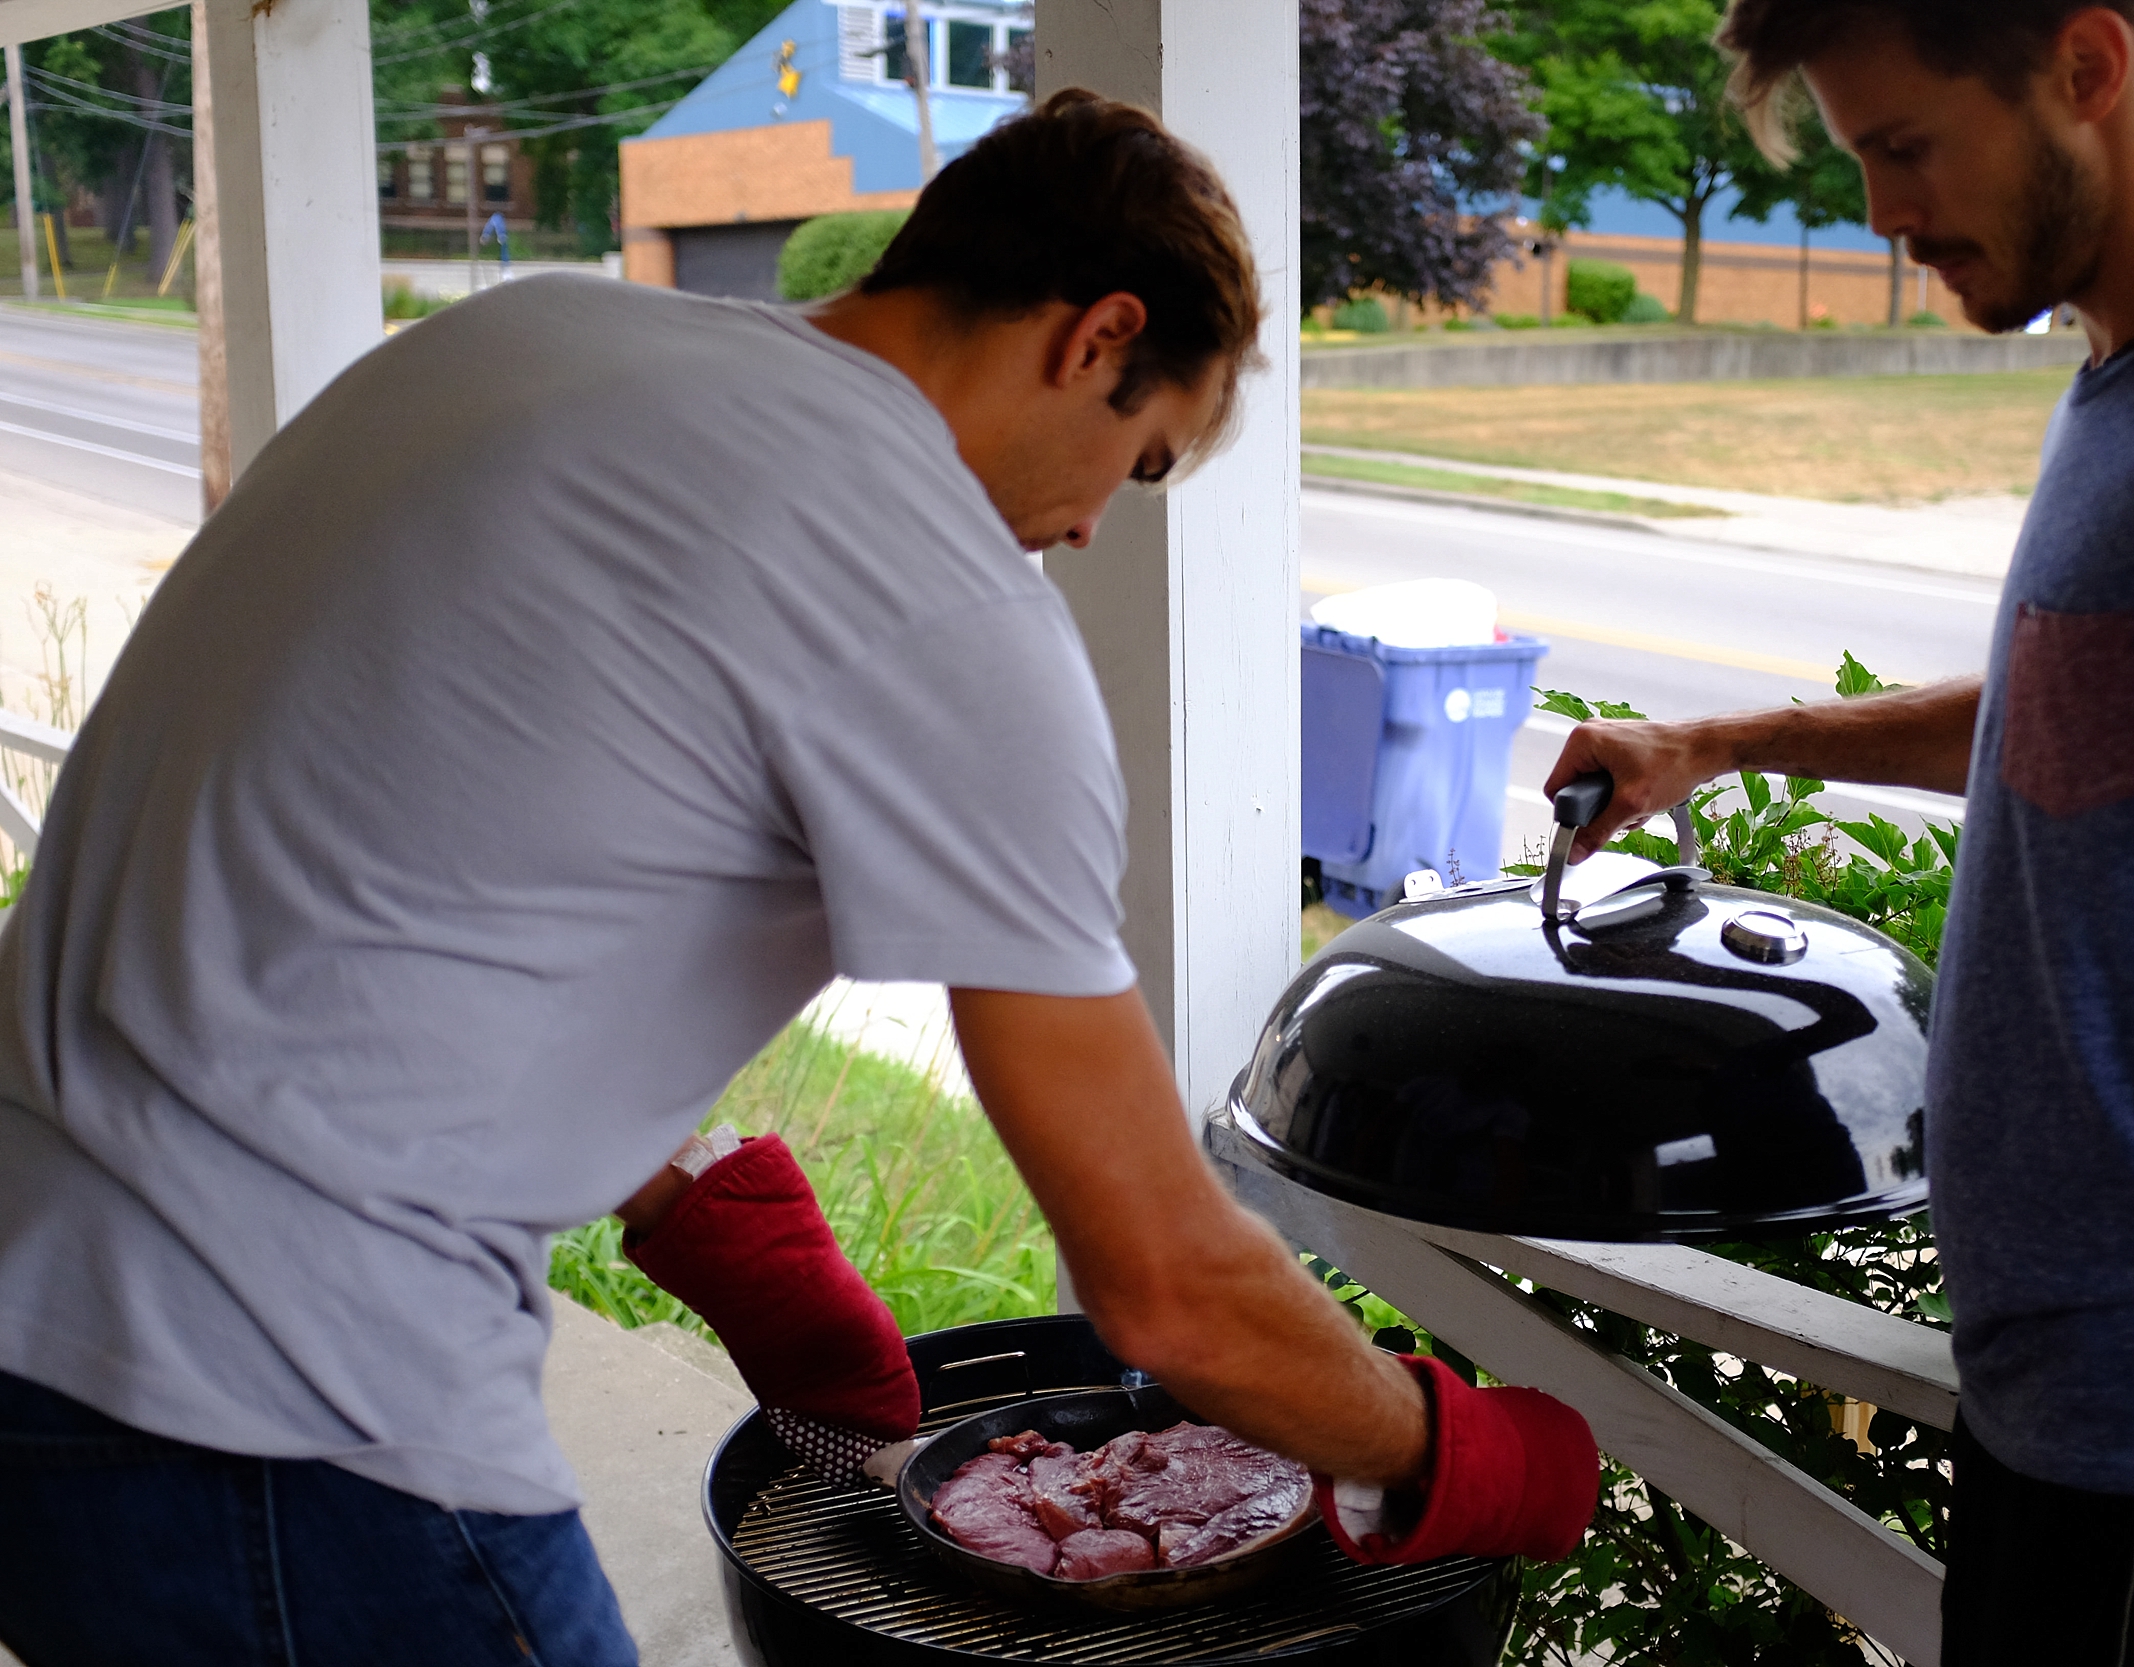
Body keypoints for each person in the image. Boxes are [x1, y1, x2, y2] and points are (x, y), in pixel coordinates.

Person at [0, 90, 1597, 1664]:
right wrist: (1455, 1452)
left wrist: (692, 1203)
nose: (1102, 527)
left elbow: (389, 848)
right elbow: (1165, 1285)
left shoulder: (524, 341)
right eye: (1150, 458)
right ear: (1098, 338)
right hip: (270, 1411)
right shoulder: (940, 591)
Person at [1548, 5, 2134, 1662]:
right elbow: (2070, 715)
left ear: (2087, 65)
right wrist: (1712, 745)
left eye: (1905, 147)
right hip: (2064, 1408)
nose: (1881, 212)